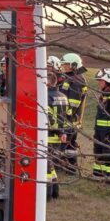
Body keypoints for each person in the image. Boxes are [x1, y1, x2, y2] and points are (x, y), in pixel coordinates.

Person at [59, 53, 88, 173]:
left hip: (70, 118)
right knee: (69, 143)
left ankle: (70, 167)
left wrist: (64, 115)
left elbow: (74, 104)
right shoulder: (70, 77)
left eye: (66, 64)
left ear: (74, 65)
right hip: (68, 117)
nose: (64, 66)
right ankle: (70, 166)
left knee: (67, 142)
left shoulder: (77, 80)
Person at [46, 58, 68, 199]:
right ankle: (55, 192)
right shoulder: (64, 97)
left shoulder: (46, 98)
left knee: (46, 168)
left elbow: (48, 119)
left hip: (48, 136)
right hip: (60, 136)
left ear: (48, 83)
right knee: (51, 165)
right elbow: (68, 115)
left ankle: (47, 195)